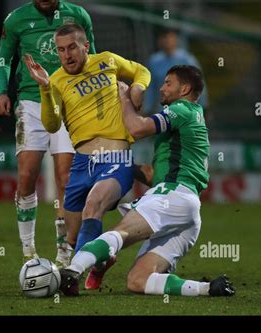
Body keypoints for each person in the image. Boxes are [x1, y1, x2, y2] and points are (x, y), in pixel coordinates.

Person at [59, 65, 235, 298]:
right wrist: (117, 167)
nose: (161, 88)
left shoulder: (181, 110)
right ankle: (208, 288)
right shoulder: (191, 121)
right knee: (138, 281)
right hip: (188, 213)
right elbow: (153, 175)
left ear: (185, 88)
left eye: (167, 83)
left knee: (119, 234)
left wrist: (124, 98)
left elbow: (137, 127)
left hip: (171, 198)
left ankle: (71, 271)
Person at [24, 23, 150, 289]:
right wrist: (45, 89)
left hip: (115, 158)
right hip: (81, 163)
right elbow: (50, 124)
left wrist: (137, 87)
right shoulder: (56, 80)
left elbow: (141, 70)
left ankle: (71, 275)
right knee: (72, 237)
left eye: (71, 47)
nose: (66, 55)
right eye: (60, 50)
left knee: (93, 205)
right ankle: (102, 259)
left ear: (85, 46)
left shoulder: (107, 61)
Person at [0, 0, 96, 267]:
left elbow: (92, 57)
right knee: (27, 175)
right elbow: (4, 58)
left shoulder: (78, 15)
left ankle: (64, 254)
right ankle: (29, 253)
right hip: (31, 101)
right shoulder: (15, 20)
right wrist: (2, 92)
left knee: (65, 179)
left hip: (70, 100)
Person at [144, 29, 208, 114]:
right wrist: (146, 108)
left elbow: (198, 82)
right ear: (160, 40)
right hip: (163, 112)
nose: (168, 40)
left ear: (176, 39)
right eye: (164, 37)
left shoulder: (187, 59)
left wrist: (204, 106)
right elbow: (150, 87)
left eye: (170, 37)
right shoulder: (154, 61)